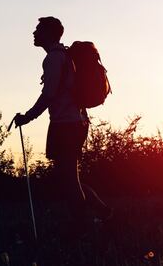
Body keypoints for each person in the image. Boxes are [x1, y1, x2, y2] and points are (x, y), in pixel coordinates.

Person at [13, 17, 112, 233]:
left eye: (38, 29)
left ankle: (82, 225)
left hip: (66, 124)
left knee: (68, 179)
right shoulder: (62, 56)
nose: (34, 33)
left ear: (49, 33)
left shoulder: (54, 59)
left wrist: (27, 117)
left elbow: (49, 94)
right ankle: (101, 213)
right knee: (67, 177)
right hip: (74, 122)